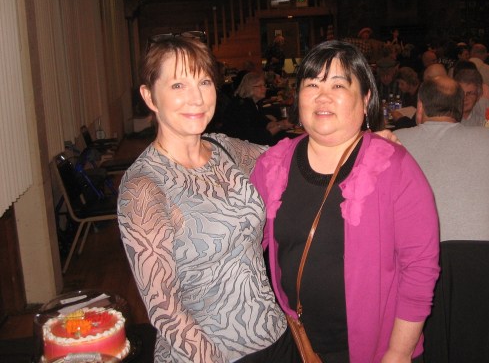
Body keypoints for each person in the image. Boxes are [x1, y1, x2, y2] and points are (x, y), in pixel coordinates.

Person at [250, 40, 440, 363]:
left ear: (365, 99)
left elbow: (420, 268)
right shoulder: (273, 165)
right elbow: (244, 245)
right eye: (312, 84)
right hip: (298, 345)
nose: (322, 96)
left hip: (379, 351)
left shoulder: (394, 167)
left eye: (338, 85)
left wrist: (398, 352)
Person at [117, 35, 298, 362]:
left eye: (204, 82)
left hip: (275, 337)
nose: (196, 98)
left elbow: (293, 160)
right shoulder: (144, 186)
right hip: (208, 353)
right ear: (149, 96)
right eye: (178, 85)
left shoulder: (225, 149)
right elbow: (165, 307)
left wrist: (366, 146)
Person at [395, 76, 489, 241]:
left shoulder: (395, 141)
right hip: (481, 255)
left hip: (418, 254)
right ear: (460, 108)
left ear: (420, 107)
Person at [222, 72, 293, 145]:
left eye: (264, 85)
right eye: (260, 86)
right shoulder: (241, 106)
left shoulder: (251, 102)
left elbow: (262, 121)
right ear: (249, 88)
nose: (264, 88)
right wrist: (280, 126)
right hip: (238, 146)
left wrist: (279, 123)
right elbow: (254, 137)